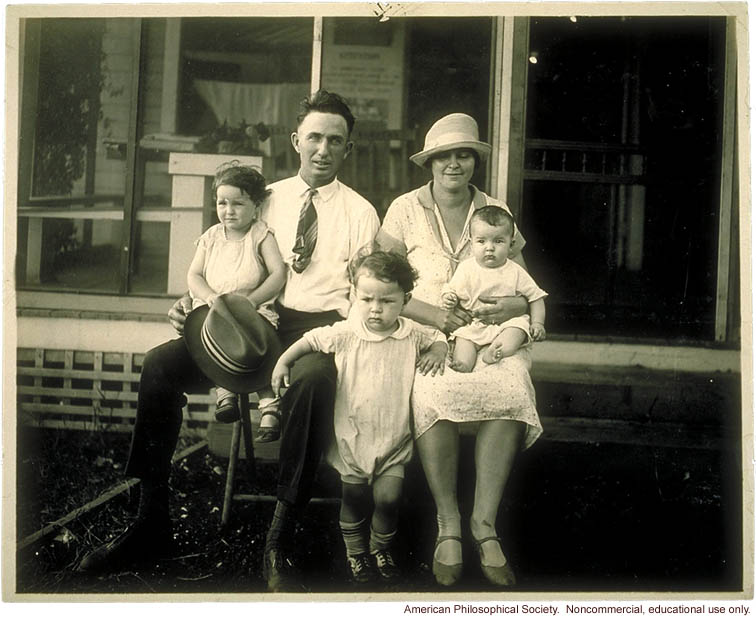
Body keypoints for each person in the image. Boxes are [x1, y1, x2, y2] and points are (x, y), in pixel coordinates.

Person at [77, 91, 380, 585]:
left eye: (336, 141)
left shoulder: (362, 213)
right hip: (246, 325)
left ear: (348, 149)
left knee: (313, 384)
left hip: (317, 325)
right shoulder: (261, 198)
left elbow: (363, 294)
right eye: (315, 137)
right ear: (296, 140)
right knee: (159, 365)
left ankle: (278, 536)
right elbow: (221, 261)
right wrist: (192, 306)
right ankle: (150, 518)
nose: (323, 149)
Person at [376, 113, 543, 588]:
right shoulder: (404, 209)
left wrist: (511, 305)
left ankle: (483, 524)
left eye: (464, 154)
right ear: (429, 163)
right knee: (433, 395)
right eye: (444, 156)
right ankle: (448, 522)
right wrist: (430, 316)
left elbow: (526, 284)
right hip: (425, 334)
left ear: (474, 160)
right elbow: (377, 281)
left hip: (493, 336)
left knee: (510, 387)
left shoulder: (494, 207)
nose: (454, 164)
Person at [270, 250, 447, 585]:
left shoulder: (411, 333)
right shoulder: (347, 332)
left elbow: (437, 337)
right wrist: (282, 362)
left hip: (394, 436)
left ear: (405, 300)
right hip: (353, 436)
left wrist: (438, 350)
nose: (375, 309)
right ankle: (356, 555)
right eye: (366, 299)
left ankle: (380, 549)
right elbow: (309, 341)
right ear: (354, 294)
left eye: (387, 301)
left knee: (389, 498)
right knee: (352, 497)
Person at [187, 162, 286, 440]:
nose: (228, 211)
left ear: (256, 206)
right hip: (216, 310)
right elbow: (194, 274)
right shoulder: (211, 237)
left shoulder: (260, 235)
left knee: (256, 350)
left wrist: (252, 301)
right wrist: (208, 297)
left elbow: (278, 274)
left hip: (252, 311)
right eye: (222, 203)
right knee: (216, 345)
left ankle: (269, 406)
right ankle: (225, 394)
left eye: (238, 204)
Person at [441, 205, 547, 373]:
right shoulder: (466, 268)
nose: (489, 247)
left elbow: (536, 297)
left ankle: (498, 351)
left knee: (518, 329)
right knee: (464, 338)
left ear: (511, 244)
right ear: (471, 243)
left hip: (507, 323)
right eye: (481, 241)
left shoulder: (515, 271)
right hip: (475, 323)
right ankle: (463, 364)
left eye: (498, 241)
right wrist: (449, 297)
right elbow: (451, 290)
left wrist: (538, 323)